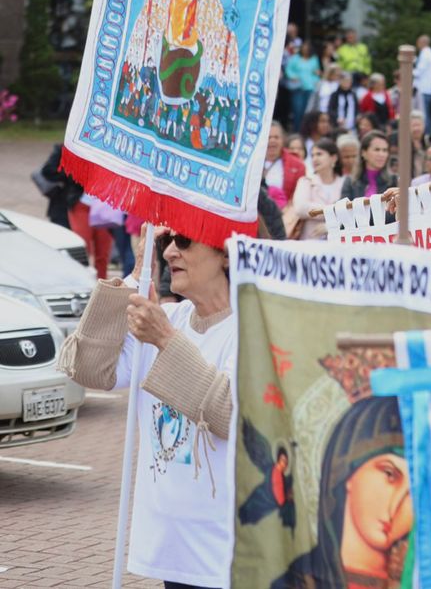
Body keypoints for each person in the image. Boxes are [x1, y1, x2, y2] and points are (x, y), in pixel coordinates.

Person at [60, 224, 241, 588]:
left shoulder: (247, 326)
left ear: (226, 252)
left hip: (227, 555)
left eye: (184, 240)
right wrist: (134, 275)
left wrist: (165, 340)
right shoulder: (169, 319)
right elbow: (88, 369)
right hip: (172, 550)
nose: (171, 251)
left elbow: (229, 415)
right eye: (165, 242)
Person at [275, 395, 412, 589]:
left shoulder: (428, 577)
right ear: (347, 472)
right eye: (389, 474)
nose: (397, 504)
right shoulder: (298, 582)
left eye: (413, 491)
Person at [290, 137, 345, 241]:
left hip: (338, 245)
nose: (315, 159)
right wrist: (333, 210)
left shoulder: (345, 183)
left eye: (319, 154)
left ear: (333, 158)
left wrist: (330, 226)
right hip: (310, 243)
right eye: (312, 155)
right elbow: (301, 208)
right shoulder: (306, 181)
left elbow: (350, 213)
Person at [341, 130, 396, 202]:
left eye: (385, 150)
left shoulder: (394, 181)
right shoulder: (350, 181)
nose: (381, 154)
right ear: (364, 153)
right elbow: (343, 210)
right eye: (377, 149)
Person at [413, 34, 431, 136]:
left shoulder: (425, 53)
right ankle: (427, 134)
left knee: (423, 114)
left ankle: (426, 135)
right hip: (427, 88)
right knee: (426, 113)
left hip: (423, 89)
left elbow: (419, 71)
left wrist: (407, 70)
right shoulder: (429, 53)